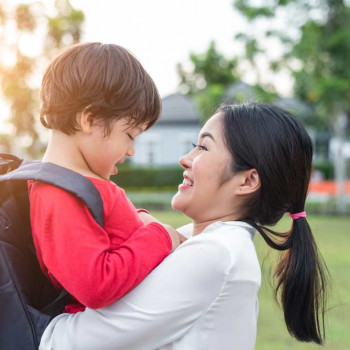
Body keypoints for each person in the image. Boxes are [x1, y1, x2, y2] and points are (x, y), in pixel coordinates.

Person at [40, 104, 328, 350]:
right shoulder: (199, 240)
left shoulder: (217, 253)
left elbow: (73, 343)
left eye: (203, 147)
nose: (185, 158)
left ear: (247, 181)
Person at [29, 42, 184, 314]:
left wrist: (142, 221)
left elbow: (111, 231)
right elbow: (96, 285)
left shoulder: (81, 186)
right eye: (130, 135)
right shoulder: (60, 193)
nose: (131, 151)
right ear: (90, 120)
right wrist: (160, 237)